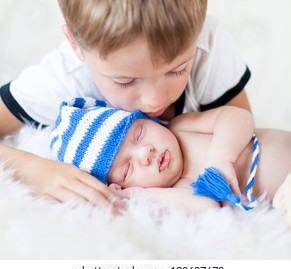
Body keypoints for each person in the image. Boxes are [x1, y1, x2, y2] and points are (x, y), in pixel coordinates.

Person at [0, 0, 252, 210]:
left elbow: (246, 135)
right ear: (75, 44)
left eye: (178, 69)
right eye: (125, 81)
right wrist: (33, 168)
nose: (155, 100)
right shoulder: (62, 79)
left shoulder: (206, 43)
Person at [51, 97, 291, 213]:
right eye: (128, 169)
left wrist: (220, 161)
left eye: (139, 134)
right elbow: (206, 206)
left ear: (149, 120)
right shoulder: (179, 187)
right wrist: (140, 195)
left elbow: (237, 116)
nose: (144, 154)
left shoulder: (181, 127)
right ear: (120, 185)